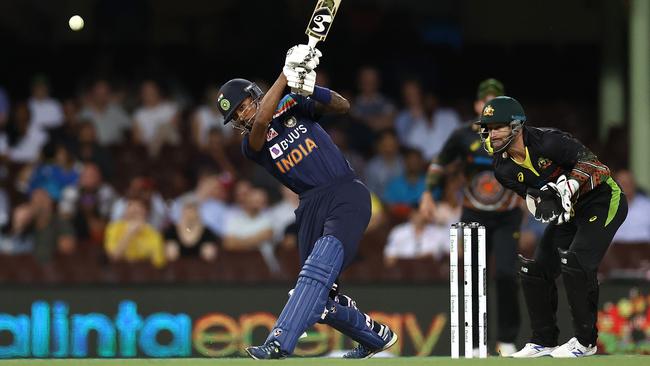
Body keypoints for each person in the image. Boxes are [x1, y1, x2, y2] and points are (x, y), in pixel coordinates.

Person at [216, 44, 397, 360]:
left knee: (314, 274)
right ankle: (375, 336)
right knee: (318, 296)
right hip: (310, 206)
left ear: (255, 96)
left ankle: (278, 344)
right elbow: (261, 124)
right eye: (237, 115)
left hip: (345, 193)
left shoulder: (293, 104)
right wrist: (286, 75)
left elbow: (343, 106)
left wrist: (309, 87)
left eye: (243, 107)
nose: (243, 116)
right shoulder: (251, 145)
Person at [475, 96, 628, 358]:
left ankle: (585, 342)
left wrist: (571, 183)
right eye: (487, 128)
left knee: (576, 261)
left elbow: (598, 168)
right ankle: (543, 341)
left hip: (602, 201)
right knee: (535, 270)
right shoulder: (503, 169)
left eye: (498, 126)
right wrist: (544, 201)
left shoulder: (549, 141)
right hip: (568, 212)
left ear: (517, 126)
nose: (491, 134)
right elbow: (538, 200)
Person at [419, 78, 522, 356]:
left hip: (507, 215)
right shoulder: (464, 135)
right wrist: (429, 194)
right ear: (477, 105)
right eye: (484, 101)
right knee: (474, 278)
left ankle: (507, 340)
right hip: (474, 214)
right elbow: (440, 162)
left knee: (506, 274)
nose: (488, 106)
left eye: (495, 101)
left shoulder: (518, 135)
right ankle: (477, 344)